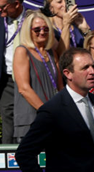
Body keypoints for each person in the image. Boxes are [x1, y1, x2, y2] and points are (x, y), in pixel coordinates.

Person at [12, 12, 62, 141]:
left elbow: (60, 87)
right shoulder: (22, 51)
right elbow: (24, 88)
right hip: (31, 119)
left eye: (46, 29)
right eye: (37, 29)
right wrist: (46, 112)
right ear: (28, 31)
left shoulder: (52, 53)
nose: (42, 32)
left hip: (54, 119)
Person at [0, 0, 27, 144]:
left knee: (29, 120)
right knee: (8, 122)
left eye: (2, 6)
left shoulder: (35, 20)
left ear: (16, 4)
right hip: (6, 80)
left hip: (29, 80)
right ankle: (9, 160)